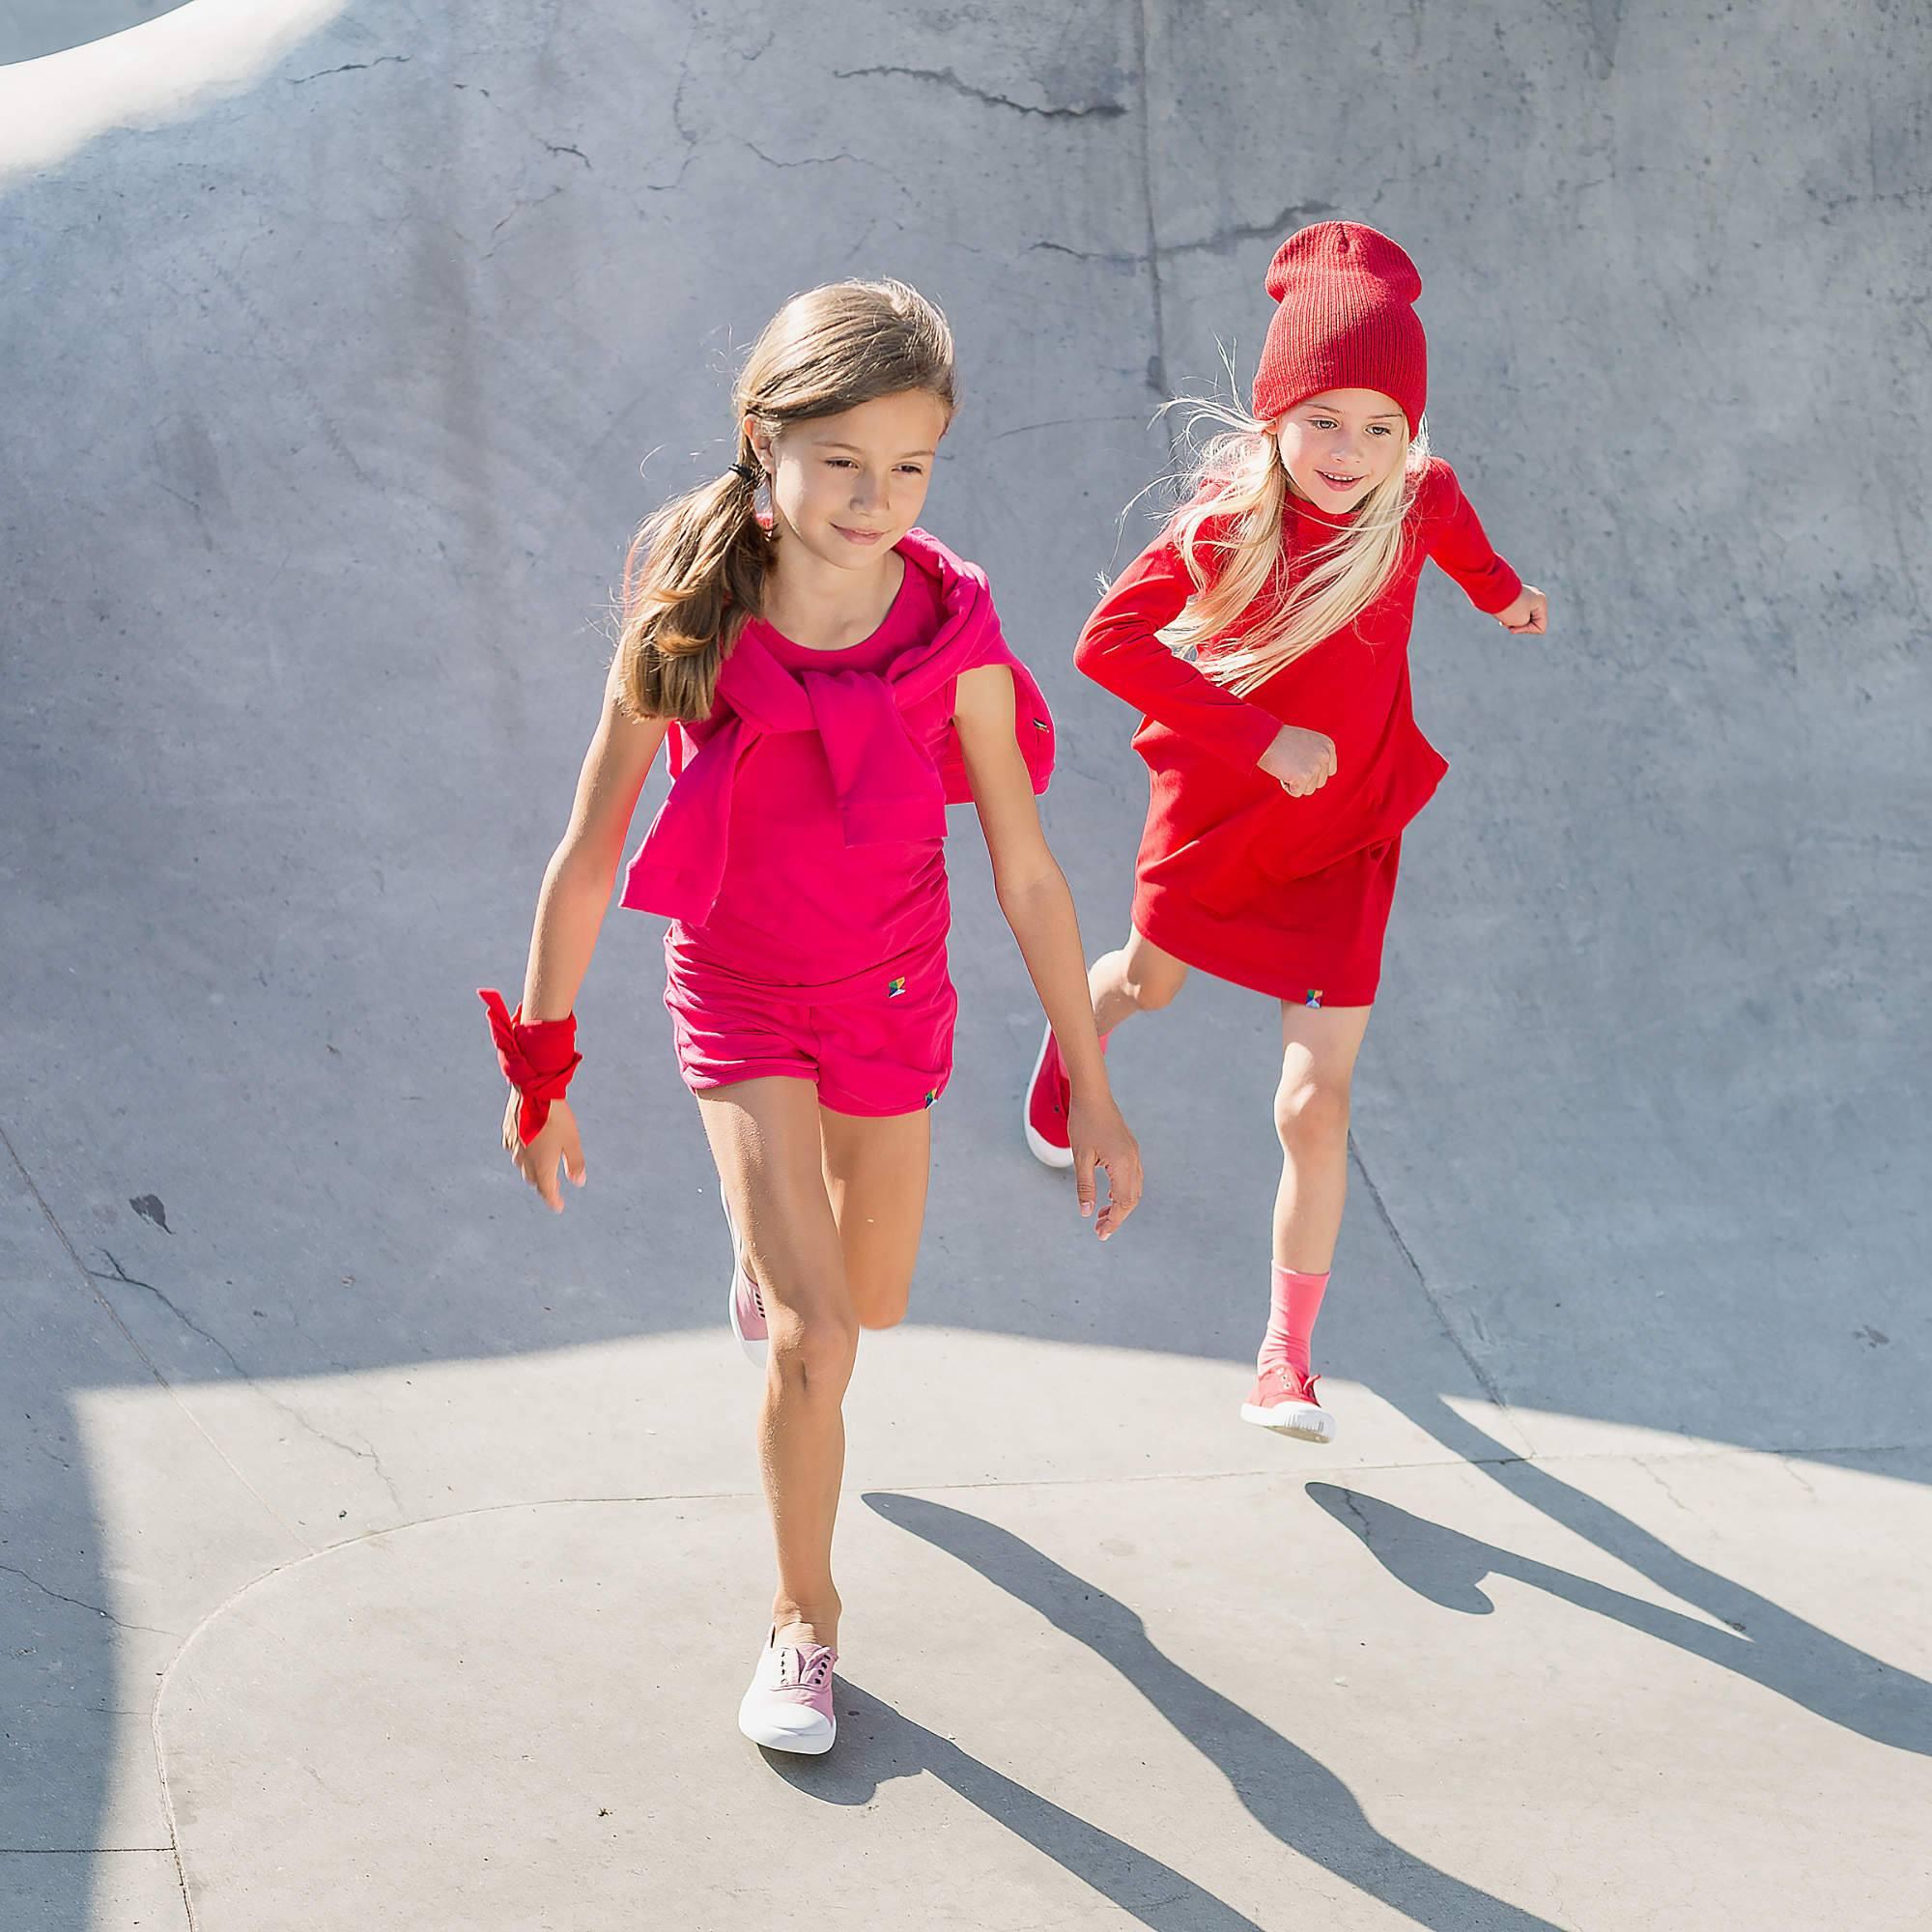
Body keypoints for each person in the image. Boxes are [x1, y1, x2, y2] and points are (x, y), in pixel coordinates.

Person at [481, 279, 1141, 1756]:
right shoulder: (694, 610)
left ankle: (780, 1271)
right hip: (741, 991)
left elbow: (1026, 874)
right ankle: (802, 1626)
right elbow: (592, 849)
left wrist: (1088, 1081)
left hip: (893, 993)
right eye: (843, 461)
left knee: (877, 1299)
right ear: (763, 446)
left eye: (910, 467)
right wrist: (542, 1063)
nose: (877, 497)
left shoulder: (952, 633)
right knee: (818, 1341)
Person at [1023, 222, 1546, 1443]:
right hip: (1219, 808)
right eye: (1321, 420)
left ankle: (1284, 1358)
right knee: (1144, 987)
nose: (1348, 453)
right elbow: (1105, 643)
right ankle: (1068, 1055)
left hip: (1347, 827)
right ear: (1273, 416)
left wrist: (1506, 596)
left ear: (1408, 434)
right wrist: (1256, 737)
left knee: (1315, 1102)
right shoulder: (1226, 524)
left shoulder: (1417, 501)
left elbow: (1466, 553)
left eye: (1379, 427)